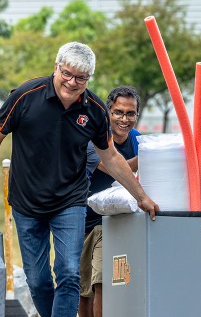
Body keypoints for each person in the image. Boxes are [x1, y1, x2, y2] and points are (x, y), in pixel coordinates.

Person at [0, 42, 159, 317]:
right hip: (27, 203)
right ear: (56, 67)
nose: (72, 83)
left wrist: (141, 197)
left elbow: (110, 158)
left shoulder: (95, 110)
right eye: (67, 73)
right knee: (37, 281)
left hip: (70, 202)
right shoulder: (26, 96)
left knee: (70, 273)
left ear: (88, 79)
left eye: (81, 78)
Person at [78, 85, 141, 317]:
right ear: (108, 112)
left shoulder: (137, 140)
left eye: (130, 113)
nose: (124, 119)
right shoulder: (94, 138)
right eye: (118, 112)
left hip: (116, 224)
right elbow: (114, 169)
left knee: (104, 281)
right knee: (84, 292)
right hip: (84, 223)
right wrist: (150, 154)